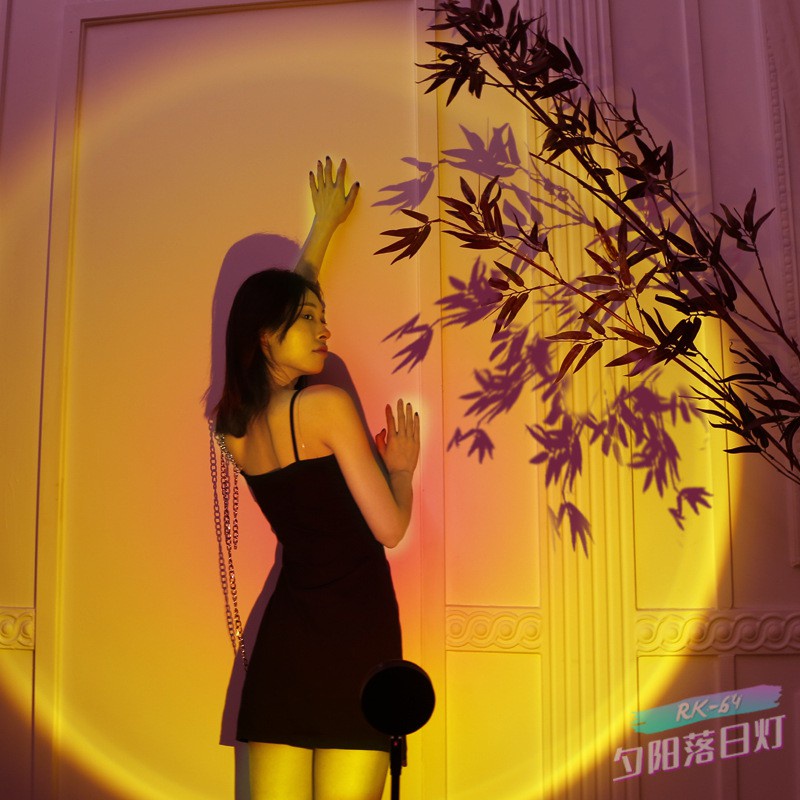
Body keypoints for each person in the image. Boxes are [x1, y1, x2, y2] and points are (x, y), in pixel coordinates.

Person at [212, 157, 420, 800]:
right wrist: (401, 470)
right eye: (308, 318)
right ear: (266, 336)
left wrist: (322, 230)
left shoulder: (233, 428)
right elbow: (390, 529)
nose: (324, 327)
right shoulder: (326, 406)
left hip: (287, 645)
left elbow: (276, 312)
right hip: (357, 638)